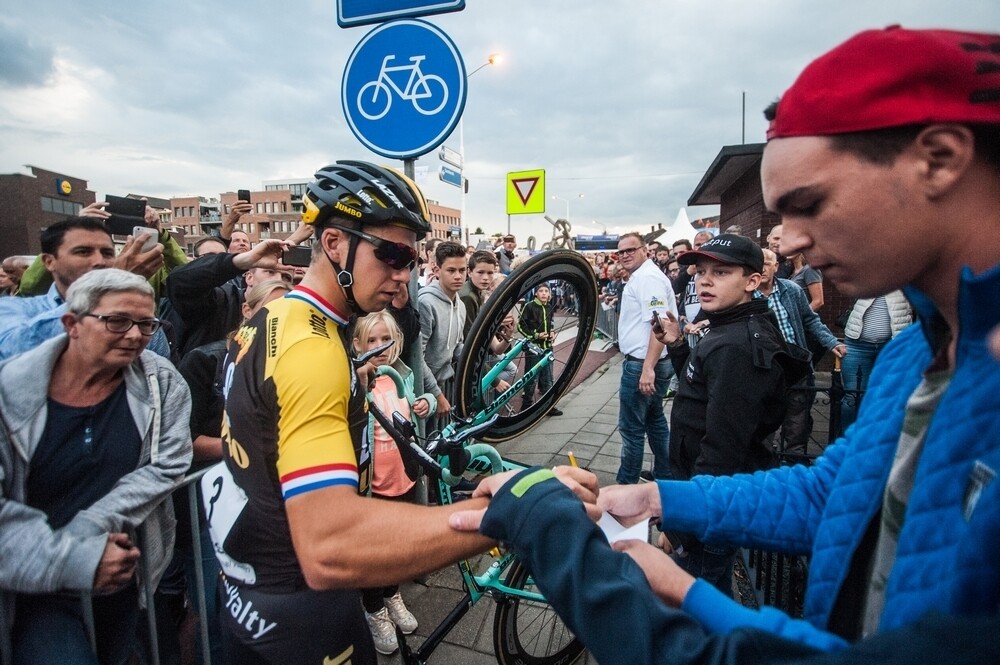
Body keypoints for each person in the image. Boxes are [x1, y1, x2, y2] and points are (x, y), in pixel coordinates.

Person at [450, 26, 1000, 664]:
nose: (789, 241)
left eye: (809, 203)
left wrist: (659, 581)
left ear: (939, 159)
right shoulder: (913, 356)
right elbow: (835, 494)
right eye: (780, 214)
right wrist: (657, 497)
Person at [202, 161, 492, 664]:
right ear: (334, 243)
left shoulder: (280, 316)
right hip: (303, 612)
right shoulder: (311, 351)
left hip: (249, 593)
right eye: (392, 255)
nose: (403, 278)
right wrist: (502, 518)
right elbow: (330, 545)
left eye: (413, 259)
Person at [0, 268, 193, 665]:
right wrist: (75, 556)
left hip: (119, 572)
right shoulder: (10, 392)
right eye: (117, 321)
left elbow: (168, 463)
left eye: (146, 324)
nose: (135, 335)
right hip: (33, 586)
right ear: (72, 323)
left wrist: (92, 529)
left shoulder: (162, 382)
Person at [659, 235, 810, 593]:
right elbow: (701, 390)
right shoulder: (726, 327)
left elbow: (723, 449)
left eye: (721, 272)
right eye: (701, 272)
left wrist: (683, 524)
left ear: (752, 281)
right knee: (713, 596)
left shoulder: (736, 346)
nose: (705, 281)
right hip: (708, 498)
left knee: (692, 606)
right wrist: (678, 345)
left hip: (710, 508)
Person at [352, 311, 434, 655]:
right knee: (375, 552)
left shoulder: (405, 373)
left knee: (396, 547)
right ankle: (374, 611)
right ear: (358, 345)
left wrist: (427, 402)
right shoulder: (356, 381)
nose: (380, 347)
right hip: (374, 486)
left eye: (385, 339)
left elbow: (418, 404)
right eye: (371, 340)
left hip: (404, 477)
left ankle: (392, 595)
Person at [0, 215, 171, 361]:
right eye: (83, 252)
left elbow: (157, 374)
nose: (99, 261)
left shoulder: (139, 319)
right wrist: (110, 286)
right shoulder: (15, 309)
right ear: (49, 262)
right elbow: (13, 351)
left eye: (107, 253)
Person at [758, 248, 847, 454]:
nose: (762, 269)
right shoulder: (745, 295)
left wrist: (832, 342)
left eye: (767, 264)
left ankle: (794, 457)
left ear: (776, 267)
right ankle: (763, 459)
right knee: (763, 417)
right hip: (764, 364)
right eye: (758, 264)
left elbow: (810, 320)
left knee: (797, 417)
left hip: (794, 360)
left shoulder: (791, 290)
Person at [614, 232, 677, 484]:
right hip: (651, 361)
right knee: (655, 420)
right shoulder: (643, 276)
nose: (625, 255)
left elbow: (659, 325)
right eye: (621, 252)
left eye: (630, 250)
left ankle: (626, 485)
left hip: (643, 363)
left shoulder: (648, 278)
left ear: (645, 251)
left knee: (631, 428)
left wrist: (648, 368)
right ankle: (666, 474)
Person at [839, 293, 912, 429]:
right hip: (857, 344)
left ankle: (878, 436)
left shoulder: (905, 281)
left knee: (888, 397)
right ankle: (849, 437)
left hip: (893, 345)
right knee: (853, 397)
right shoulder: (867, 280)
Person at [417, 240, 467, 434]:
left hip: (443, 384)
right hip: (423, 391)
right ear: (437, 270)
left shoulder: (460, 305)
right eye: (451, 270)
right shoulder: (426, 303)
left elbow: (457, 347)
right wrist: (437, 395)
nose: (458, 276)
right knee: (427, 440)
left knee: (440, 438)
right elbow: (417, 356)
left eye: (462, 270)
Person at [517, 283, 563, 416]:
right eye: (541, 291)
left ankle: (549, 406)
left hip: (547, 347)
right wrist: (535, 335)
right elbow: (520, 326)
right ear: (536, 293)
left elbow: (551, 323)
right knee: (531, 378)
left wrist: (552, 333)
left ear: (549, 294)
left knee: (548, 378)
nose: (543, 293)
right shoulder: (529, 306)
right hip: (533, 348)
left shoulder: (549, 306)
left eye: (546, 291)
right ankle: (526, 407)